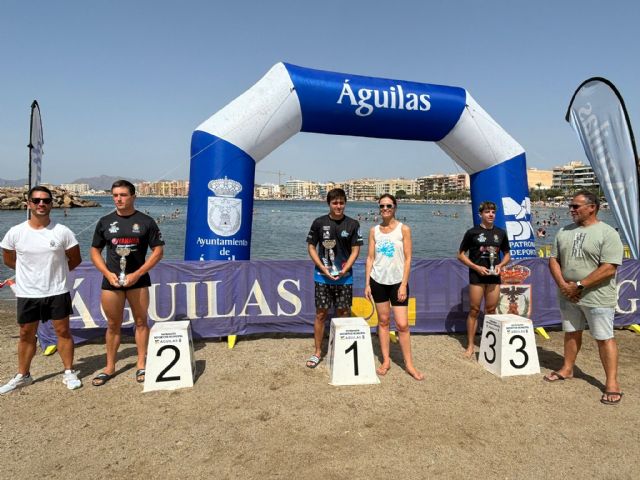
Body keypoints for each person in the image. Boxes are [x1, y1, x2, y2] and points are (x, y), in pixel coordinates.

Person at [0, 186, 82, 394]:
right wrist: (32, 273)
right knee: (26, 333)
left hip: (57, 291)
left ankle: (69, 371)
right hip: (28, 292)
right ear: (28, 204)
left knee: (63, 331)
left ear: (52, 204)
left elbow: (75, 259)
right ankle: (23, 375)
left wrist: (56, 273)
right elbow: (10, 260)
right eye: (36, 200)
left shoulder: (62, 231)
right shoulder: (16, 232)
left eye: (45, 200)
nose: (41, 204)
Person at [544, 190, 624, 405]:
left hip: (597, 296)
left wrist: (579, 285)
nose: (571, 210)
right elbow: (553, 260)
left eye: (576, 206)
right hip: (568, 295)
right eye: (571, 206)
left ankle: (612, 383)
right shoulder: (563, 231)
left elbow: (609, 267)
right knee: (571, 333)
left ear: (592, 207)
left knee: (604, 338)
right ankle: (568, 368)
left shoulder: (608, 233)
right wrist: (563, 285)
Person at [90, 180, 164, 386]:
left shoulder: (146, 221)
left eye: (123, 195)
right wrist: (106, 272)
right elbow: (94, 250)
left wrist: (138, 273)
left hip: (138, 281)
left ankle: (141, 364)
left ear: (133, 197)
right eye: (115, 195)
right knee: (113, 324)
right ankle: (110, 366)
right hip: (112, 280)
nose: (118, 199)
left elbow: (158, 251)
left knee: (141, 322)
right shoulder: (105, 222)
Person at [364, 194, 424, 380]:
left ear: (395, 207)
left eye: (389, 205)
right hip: (378, 280)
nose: (385, 209)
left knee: (402, 324)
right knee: (383, 322)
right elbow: (370, 258)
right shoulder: (374, 230)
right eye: (382, 206)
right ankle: (386, 360)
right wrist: (367, 283)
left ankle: (409, 365)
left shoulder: (403, 229)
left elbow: (408, 259)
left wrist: (404, 284)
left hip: (398, 282)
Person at [305, 188, 363, 368]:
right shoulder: (319, 222)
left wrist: (346, 268)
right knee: (321, 314)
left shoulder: (353, 224)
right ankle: (317, 352)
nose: (338, 206)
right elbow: (311, 247)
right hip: (322, 277)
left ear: (345, 203)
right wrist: (322, 267)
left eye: (341, 202)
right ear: (329, 203)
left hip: (345, 278)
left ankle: (341, 351)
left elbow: (356, 250)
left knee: (343, 314)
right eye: (335, 202)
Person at [457, 201, 511, 359]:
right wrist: (476, 267)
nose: (491, 214)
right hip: (477, 277)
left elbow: (507, 254)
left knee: (491, 310)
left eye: (493, 212)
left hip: (494, 277)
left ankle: (489, 343)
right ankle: (471, 345)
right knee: (474, 310)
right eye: (487, 212)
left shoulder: (501, 233)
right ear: (480, 214)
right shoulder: (472, 232)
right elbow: (460, 255)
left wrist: (501, 265)